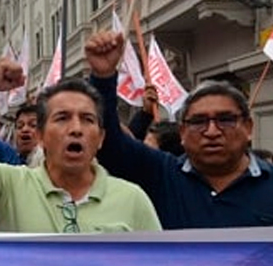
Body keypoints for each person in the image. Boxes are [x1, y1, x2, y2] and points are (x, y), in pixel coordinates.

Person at [0, 57, 161, 233]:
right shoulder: (11, 186)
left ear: (101, 137)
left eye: (87, 119)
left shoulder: (133, 199)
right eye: (62, 118)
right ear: (41, 136)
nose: (76, 129)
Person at [85, 30, 273, 228]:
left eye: (225, 120)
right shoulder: (162, 176)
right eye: (199, 121)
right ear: (182, 132)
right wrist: (103, 77)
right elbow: (109, 144)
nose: (212, 131)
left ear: (248, 127)